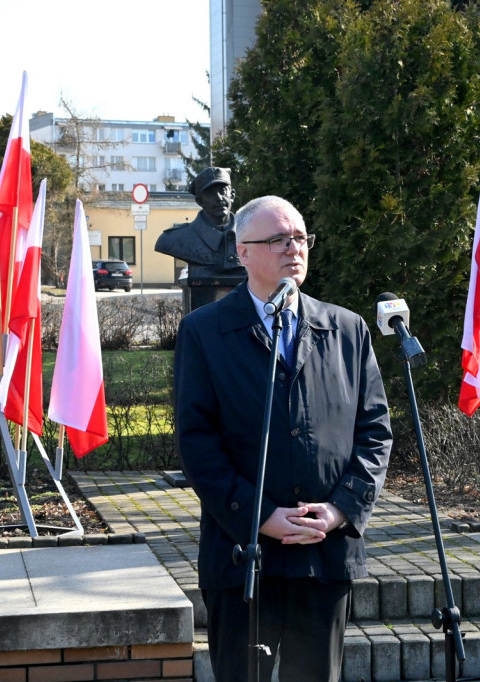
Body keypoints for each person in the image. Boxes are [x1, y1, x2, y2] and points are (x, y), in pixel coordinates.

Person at [173, 195, 393, 681]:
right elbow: (196, 443)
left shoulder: (347, 329)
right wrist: (261, 518)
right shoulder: (205, 331)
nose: (293, 248)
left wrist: (341, 510)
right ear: (242, 252)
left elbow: (374, 432)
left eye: (299, 237)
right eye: (277, 239)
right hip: (244, 558)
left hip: (324, 553)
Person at [154, 166, 246, 279]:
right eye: (210, 194)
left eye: (223, 191)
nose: (219, 198)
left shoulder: (251, 234)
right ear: (200, 201)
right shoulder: (174, 239)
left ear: (232, 195)